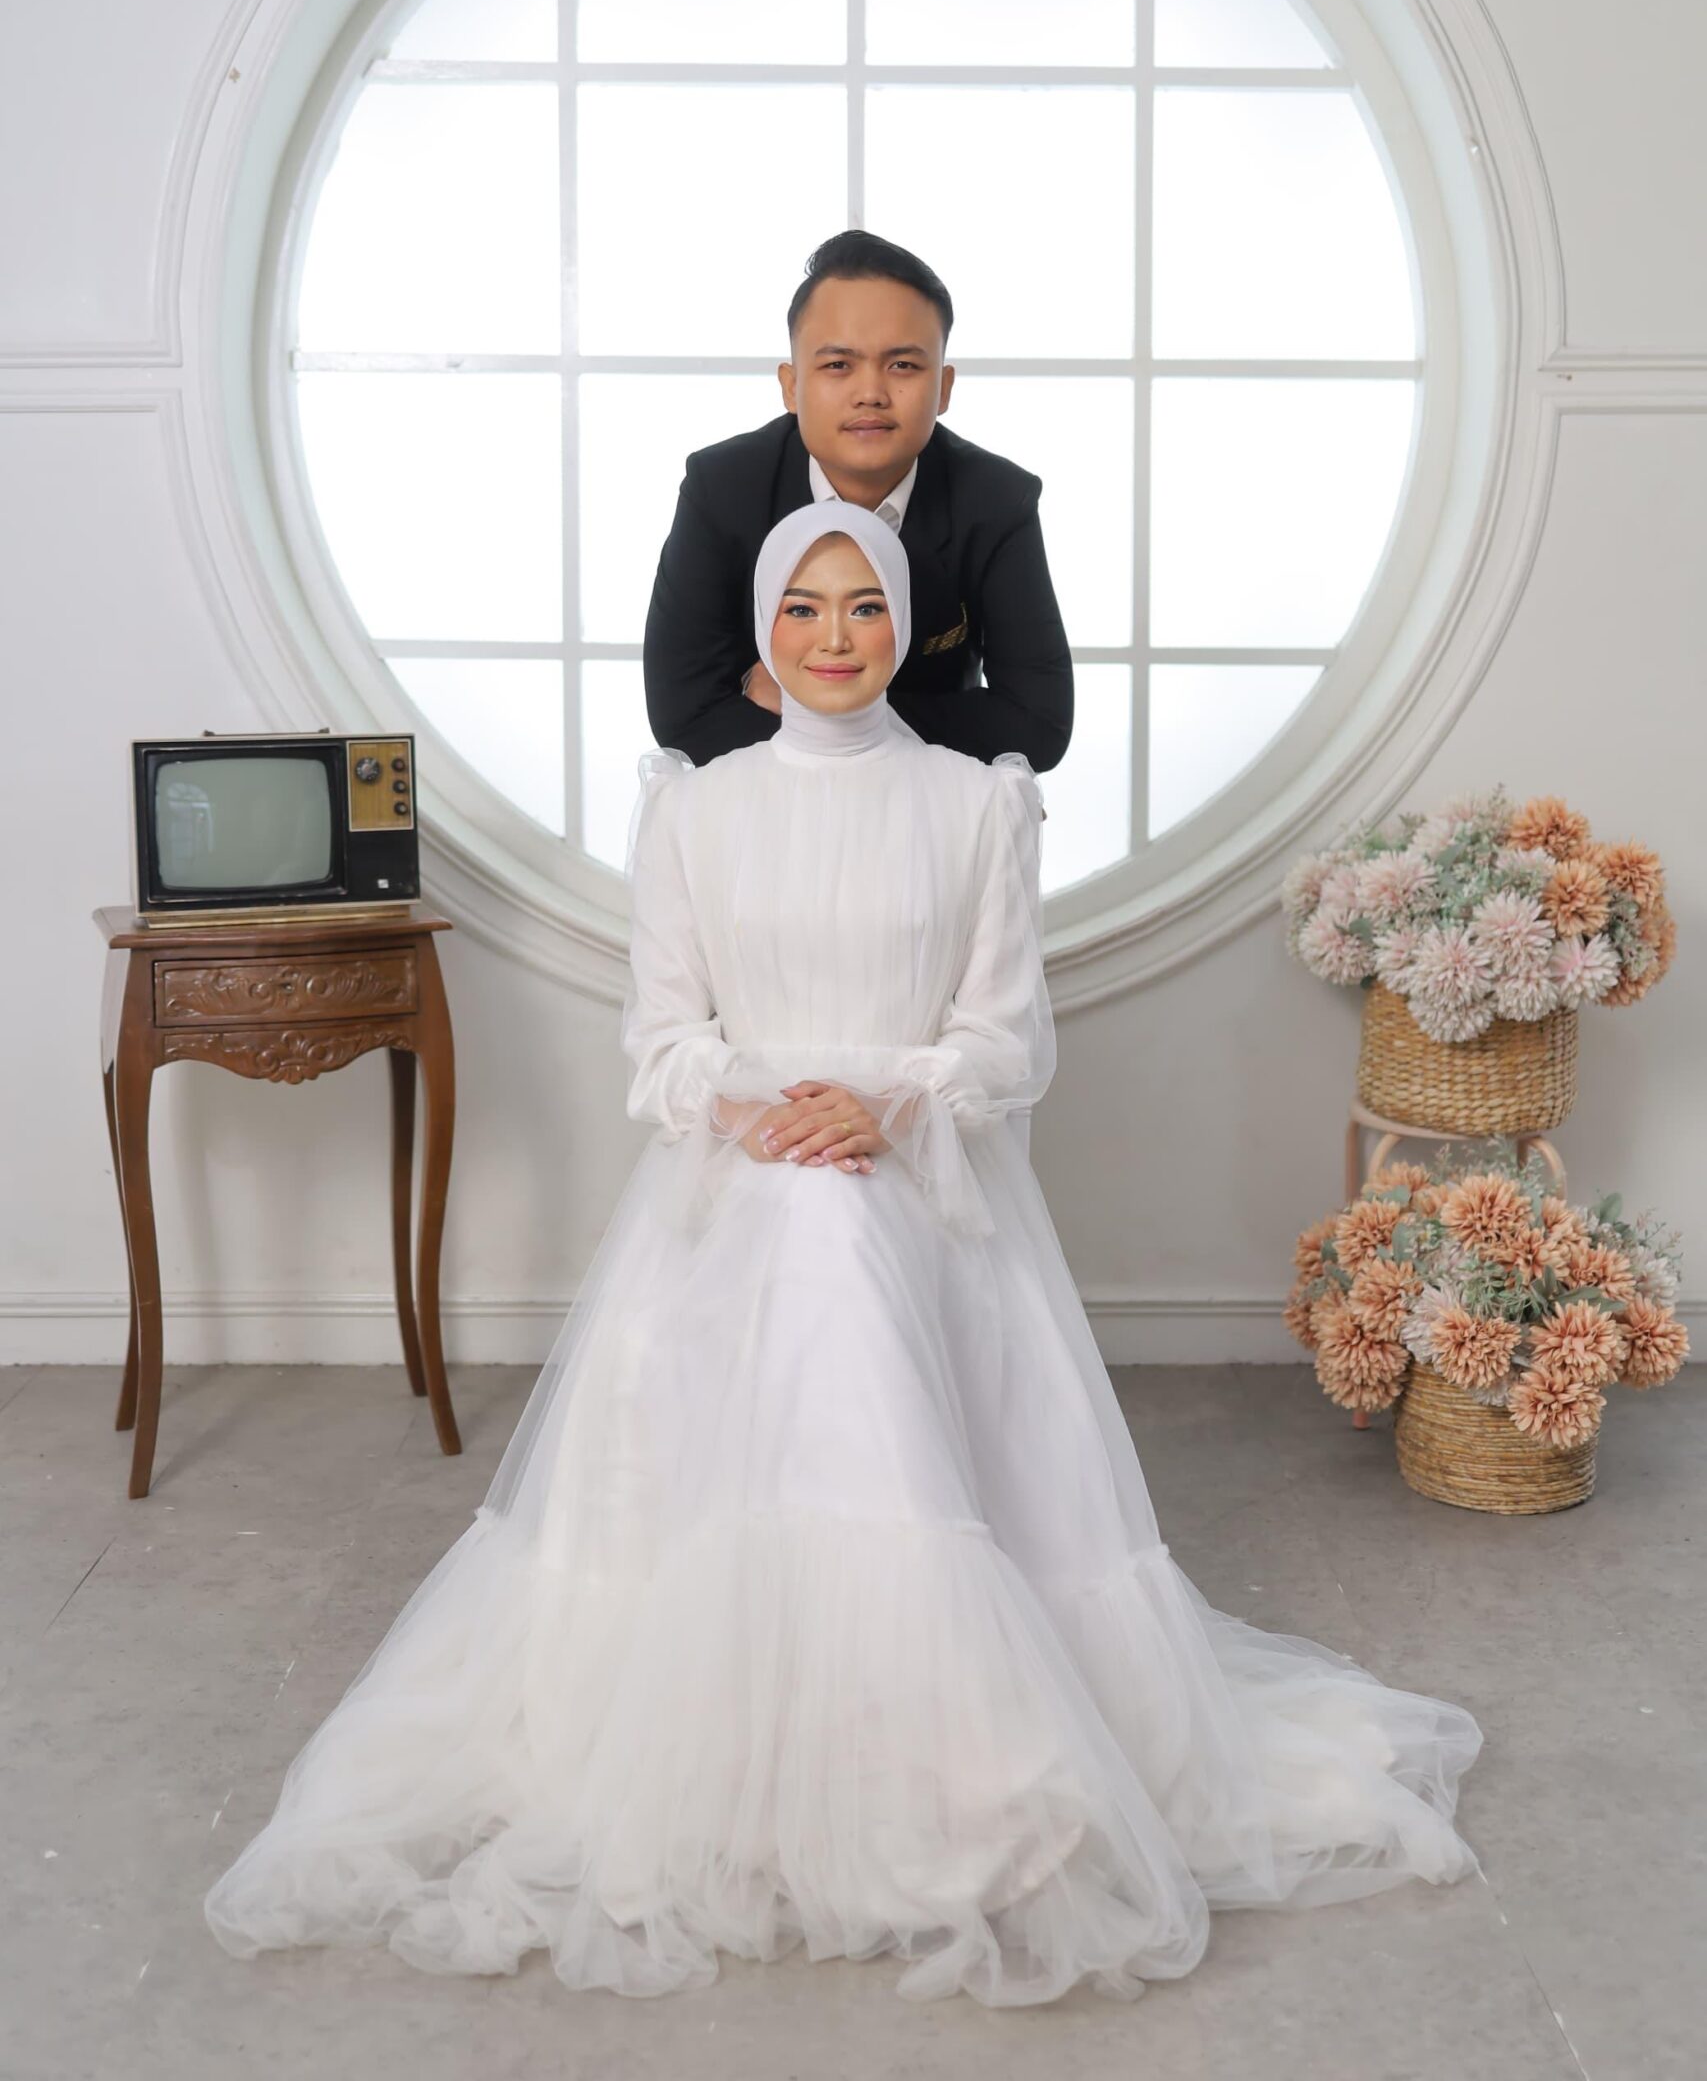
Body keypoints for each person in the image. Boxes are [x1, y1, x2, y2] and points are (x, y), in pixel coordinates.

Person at [204, 502, 1482, 2011]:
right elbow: (661, 1036)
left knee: (848, 1246)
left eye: (862, 605)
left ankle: (939, 1755)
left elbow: (1004, 1036)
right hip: (739, 1169)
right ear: (761, 631)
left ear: (906, 623)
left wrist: (891, 1104)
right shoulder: (694, 808)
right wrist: (755, 1114)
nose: (832, 635)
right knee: (813, 1239)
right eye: (801, 608)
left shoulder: (975, 802)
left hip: (922, 1170)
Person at [642, 227, 1074, 773]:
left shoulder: (997, 500)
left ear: (944, 388)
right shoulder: (721, 487)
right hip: (770, 799)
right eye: (838, 365)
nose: (870, 392)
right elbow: (685, 716)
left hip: (930, 802)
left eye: (903, 365)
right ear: (791, 385)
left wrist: (826, 709)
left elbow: (1039, 725)